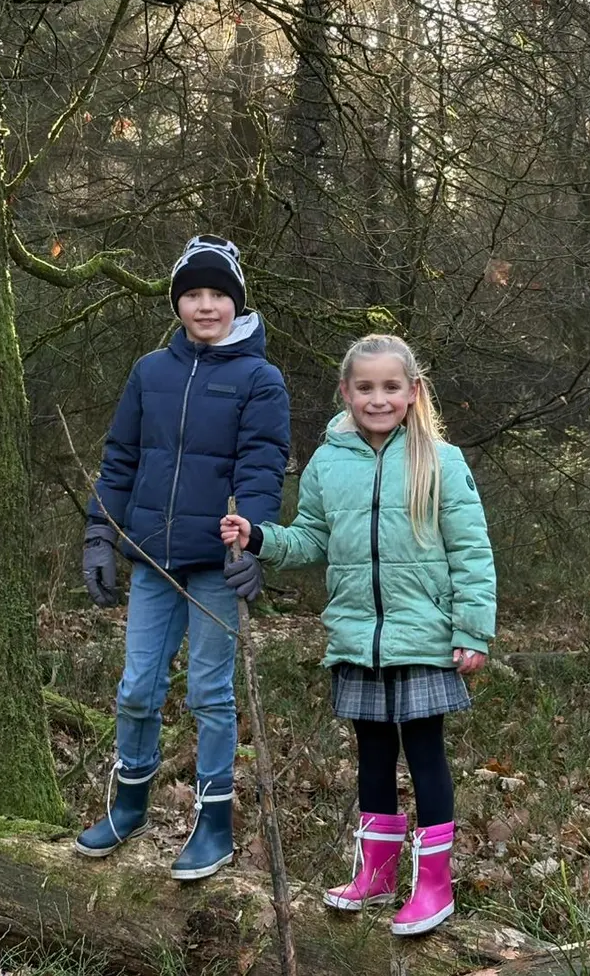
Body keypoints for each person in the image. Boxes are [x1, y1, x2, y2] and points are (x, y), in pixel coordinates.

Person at [221, 333, 495, 937]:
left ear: (412, 391)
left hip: (424, 636)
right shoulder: (327, 462)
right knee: (372, 755)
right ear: (346, 392)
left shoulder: (440, 460)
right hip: (357, 637)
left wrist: (472, 630)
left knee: (424, 754)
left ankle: (434, 885)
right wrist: (260, 538)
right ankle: (376, 873)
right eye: (365, 387)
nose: (378, 399)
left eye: (391, 387)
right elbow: (311, 539)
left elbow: (472, 552)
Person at [77, 235, 289, 880]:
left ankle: (214, 823)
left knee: (208, 692)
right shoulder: (151, 372)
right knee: (138, 686)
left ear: (236, 303)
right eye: (192, 293)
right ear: (176, 303)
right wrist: (99, 533)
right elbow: (121, 457)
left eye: (217, 294)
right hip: (152, 560)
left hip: (216, 563)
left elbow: (262, 468)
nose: (205, 305)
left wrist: (254, 541)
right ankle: (129, 806)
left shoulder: (260, 380)